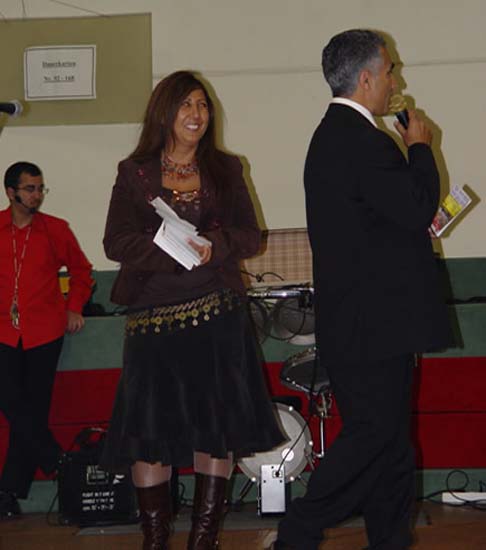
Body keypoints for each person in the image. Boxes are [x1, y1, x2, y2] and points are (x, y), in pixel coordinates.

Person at [272, 30, 451, 550]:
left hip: (361, 323)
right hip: (374, 325)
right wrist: (420, 148)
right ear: (367, 79)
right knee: (374, 437)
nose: (396, 80)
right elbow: (416, 206)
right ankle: (297, 533)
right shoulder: (364, 142)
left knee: (391, 446)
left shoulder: (333, 138)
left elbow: (385, 222)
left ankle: (390, 540)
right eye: (391, 70)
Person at [101, 70, 284, 549]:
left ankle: (204, 541)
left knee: (215, 431)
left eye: (203, 105)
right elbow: (115, 242)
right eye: (186, 104)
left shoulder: (226, 168)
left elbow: (250, 235)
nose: (196, 114)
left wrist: (214, 245)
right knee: (149, 434)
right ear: (164, 112)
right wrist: (171, 248)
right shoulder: (134, 172)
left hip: (217, 316)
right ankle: (154, 541)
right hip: (153, 320)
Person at [0, 161, 93, 518]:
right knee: (14, 403)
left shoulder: (56, 229)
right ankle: (56, 459)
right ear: (11, 192)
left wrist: (74, 307)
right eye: (30, 189)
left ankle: (8, 493)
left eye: (40, 188)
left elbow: (82, 271)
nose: (37, 195)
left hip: (44, 332)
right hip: (3, 332)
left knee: (32, 411)